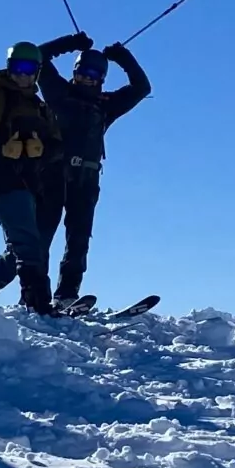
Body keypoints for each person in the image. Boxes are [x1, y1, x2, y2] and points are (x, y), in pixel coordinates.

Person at [36, 31, 152, 311]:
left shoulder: (106, 105)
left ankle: (66, 296)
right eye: (83, 72)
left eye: (95, 74)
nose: (88, 77)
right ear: (75, 72)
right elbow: (38, 55)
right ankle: (34, 294)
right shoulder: (57, 92)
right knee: (41, 236)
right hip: (52, 175)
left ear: (102, 78)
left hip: (87, 179)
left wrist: (123, 57)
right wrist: (70, 43)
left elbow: (141, 88)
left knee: (78, 239)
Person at [0, 42, 67, 313]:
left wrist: (41, 152)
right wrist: (2, 148)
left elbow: (56, 144)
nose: (23, 74)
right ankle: (39, 306)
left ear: (37, 71)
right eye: (18, 68)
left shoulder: (39, 106)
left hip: (31, 183)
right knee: (28, 244)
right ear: (9, 68)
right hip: (1, 180)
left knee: (24, 246)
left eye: (29, 69)